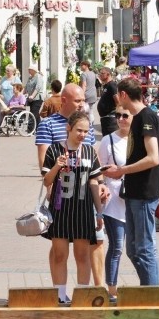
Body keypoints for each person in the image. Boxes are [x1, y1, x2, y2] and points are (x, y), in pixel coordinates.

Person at [104, 77, 159, 286]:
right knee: (133, 249)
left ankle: (153, 295)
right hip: (133, 192)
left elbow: (154, 158)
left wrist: (121, 171)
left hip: (143, 193)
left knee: (144, 248)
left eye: (117, 96)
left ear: (123, 95)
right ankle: (148, 290)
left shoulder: (146, 116)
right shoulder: (139, 117)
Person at [42, 111, 104, 304]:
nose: (82, 135)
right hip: (61, 209)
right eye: (79, 130)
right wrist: (56, 167)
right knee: (60, 254)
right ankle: (60, 295)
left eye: (86, 131)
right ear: (68, 128)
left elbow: (94, 183)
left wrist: (99, 212)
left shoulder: (89, 151)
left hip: (83, 210)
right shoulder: (54, 150)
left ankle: (83, 295)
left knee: (82, 255)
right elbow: (46, 181)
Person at [97, 108, 130, 302]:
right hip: (114, 200)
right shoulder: (108, 140)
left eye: (125, 115)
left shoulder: (139, 139)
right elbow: (99, 168)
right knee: (117, 246)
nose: (121, 119)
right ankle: (112, 287)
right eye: (118, 115)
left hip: (133, 198)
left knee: (136, 247)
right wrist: (102, 185)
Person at [97, 67, 119, 137]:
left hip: (110, 119)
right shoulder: (106, 85)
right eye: (99, 73)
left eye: (102, 73)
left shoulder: (112, 85)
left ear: (108, 74)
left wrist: (118, 115)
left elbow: (118, 101)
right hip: (105, 118)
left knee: (110, 139)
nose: (100, 75)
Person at [25, 65, 44, 131]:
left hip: (37, 98)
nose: (28, 71)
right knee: (34, 113)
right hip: (30, 98)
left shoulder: (38, 77)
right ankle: (39, 128)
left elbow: (37, 88)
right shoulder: (30, 78)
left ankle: (31, 128)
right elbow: (26, 87)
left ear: (34, 70)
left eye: (29, 69)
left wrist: (32, 96)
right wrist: (21, 94)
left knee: (34, 113)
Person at [79, 60, 98, 127]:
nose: (80, 67)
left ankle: (87, 125)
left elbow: (84, 85)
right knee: (91, 111)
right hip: (93, 94)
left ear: (86, 66)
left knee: (83, 111)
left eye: (82, 65)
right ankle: (91, 125)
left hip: (86, 95)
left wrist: (81, 95)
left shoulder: (84, 74)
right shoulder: (93, 73)